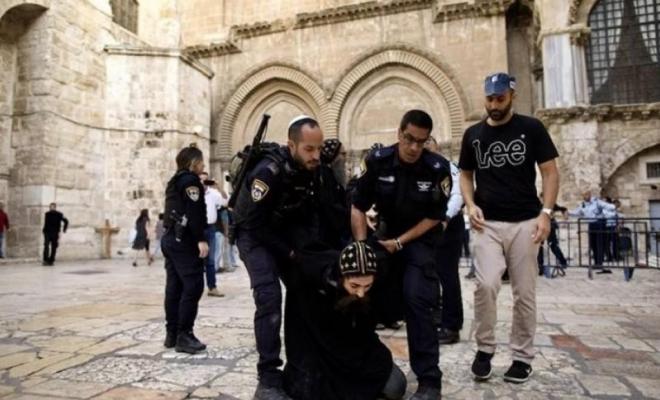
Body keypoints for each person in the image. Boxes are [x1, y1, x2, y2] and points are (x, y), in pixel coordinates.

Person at [459, 72, 559, 384]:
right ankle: (484, 349)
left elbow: (550, 172)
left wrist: (546, 213)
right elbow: (465, 174)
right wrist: (470, 203)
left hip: (526, 221)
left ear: (511, 96)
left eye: (500, 98)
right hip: (487, 223)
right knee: (486, 285)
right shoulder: (473, 134)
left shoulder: (531, 128)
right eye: (490, 98)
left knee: (524, 292)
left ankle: (522, 357)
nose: (494, 105)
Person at [351, 109, 452, 400]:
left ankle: (429, 380)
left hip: (419, 241)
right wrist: (362, 249)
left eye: (421, 141)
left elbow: (435, 217)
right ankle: (364, 368)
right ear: (399, 133)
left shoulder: (437, 168)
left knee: (417, 299)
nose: (414, 147)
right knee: (361, 296)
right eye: (409, 139)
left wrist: (400, 242)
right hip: (385, 237)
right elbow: (358, 206)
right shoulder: (377, 161)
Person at [233, 115, 328, 399]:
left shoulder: (311, 170)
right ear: (291, 145)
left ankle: (304, 362)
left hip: (280, 231)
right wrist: (289, 252)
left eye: (319, 149)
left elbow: (311, 212)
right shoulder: (268, 172)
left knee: (306, 287)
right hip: (253, 233)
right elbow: (255, 225)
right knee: (269, 296)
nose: (316, 156)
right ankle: (268, 378)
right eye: (309, 149)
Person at [283, 241, 406, 400]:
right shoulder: (315, 284)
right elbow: (302, 334)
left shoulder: (375, 286)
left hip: (359, 355)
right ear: (342, 277)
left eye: (367, 286)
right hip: (321, 354)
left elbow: (367, 333)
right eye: (354, 286)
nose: (361, 293)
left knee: (396, 386)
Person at [162, 145, 209, 354]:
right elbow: (194, 213)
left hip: (170, 238)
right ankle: (185, 335)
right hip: (184, 241)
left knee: (174, 287)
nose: (203, 165)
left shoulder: (174, 181)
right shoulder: (191, 182)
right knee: (193, 285)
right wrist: (201, 239)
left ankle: (172, 333)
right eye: (201, 161)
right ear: (194, 163)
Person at [424, 137, 465, 345]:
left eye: (428, 145)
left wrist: (445, 218)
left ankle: (451, 325)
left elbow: (458, 194)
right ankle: (438, 315)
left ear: (437, 147)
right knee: (431, 273)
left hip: (447, 225)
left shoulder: (450, 167)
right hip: (427, 226)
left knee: (447, 274)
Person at [569, 190, 616, 274]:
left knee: (599, 244)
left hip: (599, 223)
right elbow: (576, 212)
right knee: (593, 244)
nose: (585, 196)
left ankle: (600, 263)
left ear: (590, 195)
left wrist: (611, 209)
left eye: (586, 194)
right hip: (591, 224)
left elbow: (608, 206)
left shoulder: (596, 202)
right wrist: (567, 212)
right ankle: (596, 262)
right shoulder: (583, 205)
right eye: (584, 195)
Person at [199, 172, 225, 297]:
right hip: (197, 229)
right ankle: (195, 287)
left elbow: (226, 201)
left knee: (210, 260)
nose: (203, 183)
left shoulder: (213, 193)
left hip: (210, 228)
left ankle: (212, 287)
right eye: (201, 180)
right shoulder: (194, 194)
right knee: (196, 259)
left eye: (205, 180)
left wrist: (219, 187)